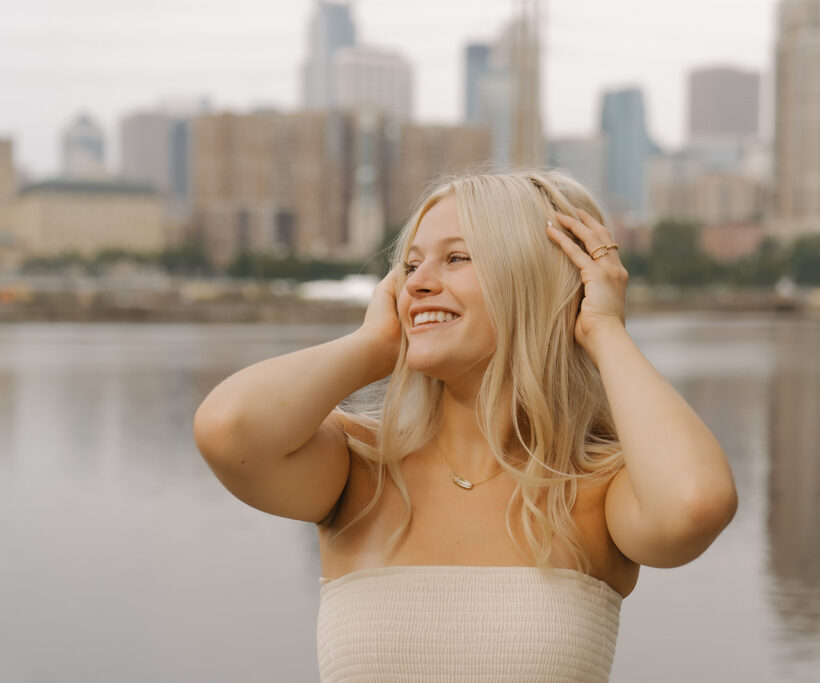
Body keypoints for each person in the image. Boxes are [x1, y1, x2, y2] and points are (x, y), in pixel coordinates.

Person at [193, 169, 738, 682]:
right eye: (409, 267)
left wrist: (602, 329)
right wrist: (373, 346)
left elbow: (696, 504)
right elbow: (227, 429)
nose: (418, 285)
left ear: (532, 281)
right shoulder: (357, 470)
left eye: (455, 258)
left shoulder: (599, 489)